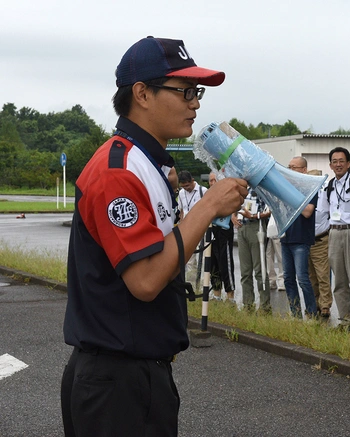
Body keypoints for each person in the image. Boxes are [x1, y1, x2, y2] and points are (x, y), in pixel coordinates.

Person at [61, 36, 247, 436]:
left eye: (197, 92)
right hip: (116, 385)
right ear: (142, 94)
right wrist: (208, 207)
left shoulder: (147, 162)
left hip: (136, 376)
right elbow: (145, 280)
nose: (196, 103)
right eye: (185, 91)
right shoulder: (119, 170)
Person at [325, 147, 350, 328]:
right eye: (335, 161)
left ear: (348, 164)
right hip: (334, 232)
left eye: (341, 161)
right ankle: (344, 317)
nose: (338, 164)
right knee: (339, 279)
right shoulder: (329, 185)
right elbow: (325, 211)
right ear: (330, 165)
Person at [281, 157, 318, 318]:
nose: (289, 169)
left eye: (293, 167)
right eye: (288, 166)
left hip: (301, 239)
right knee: (288, 278)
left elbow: (308, 211)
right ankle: (295, 314)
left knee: (303, 278)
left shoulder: (309, 187)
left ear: (303, 170)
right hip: (286, 238)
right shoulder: (286, 187)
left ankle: (311, 312)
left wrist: (291, 196)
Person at [231, 188, 271, 312]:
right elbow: (234, 205)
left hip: (256, 226)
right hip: (242, 227)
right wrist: (233, 216)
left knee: (260, 269)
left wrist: (254, 215)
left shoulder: (263, 188)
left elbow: (270, 210)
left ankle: (265, 306)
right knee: (245, 271)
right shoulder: (242, 189)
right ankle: (248, 304)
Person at [307, 169, 333, 318]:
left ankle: (325, 305)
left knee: (323, 274)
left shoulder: (325, 196)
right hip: (307, 241)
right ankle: (315, 302)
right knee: (311, 275)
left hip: (321, 239)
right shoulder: (305, 196)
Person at [208, 172, 236, 302]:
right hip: (211, 230)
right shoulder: (208, 195)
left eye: (215, 180)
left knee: (226, 262)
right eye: (210, 181)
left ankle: (230, 297)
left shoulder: (228, 194)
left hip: (225, 230)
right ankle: (216, 294)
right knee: (213, 263)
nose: (212, 183)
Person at [178, 169, 208, 282]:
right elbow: (181, 211)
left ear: (192, 180)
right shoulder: (181, 193)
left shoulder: (203, 191)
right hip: (187, 229)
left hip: (201, 228)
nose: (186, 188)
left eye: (187, 185)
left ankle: (203, 285)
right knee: (190, 259)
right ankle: (192, 286)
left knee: (204, 258)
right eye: (183, 186)